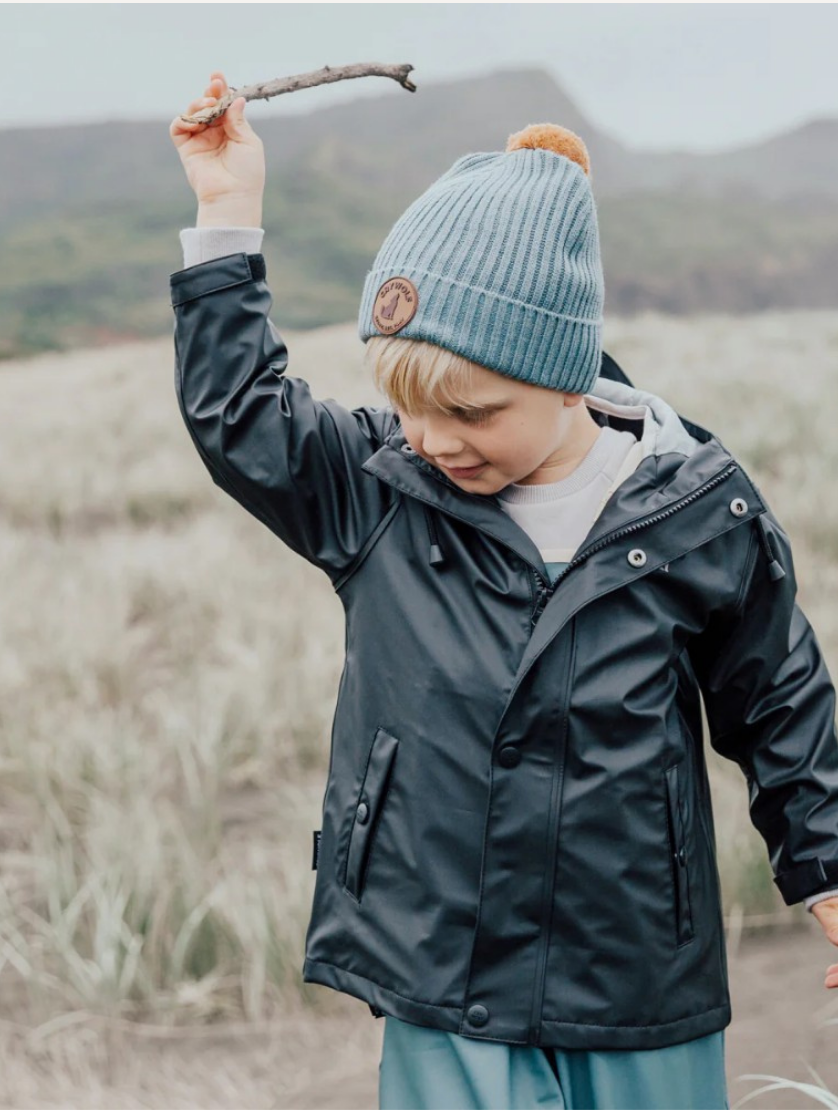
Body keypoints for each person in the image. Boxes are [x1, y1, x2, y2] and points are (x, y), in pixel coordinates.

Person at [169, 72, 838, 1110]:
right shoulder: (379, 490)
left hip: (636, 979)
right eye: (409, 410)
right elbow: (240, 418)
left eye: (472, 412)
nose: (433, 441)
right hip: (440, 969)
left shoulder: (700, 511)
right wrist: (224, 214)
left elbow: (777, 701)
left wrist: (828, 867)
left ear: (564, 371)